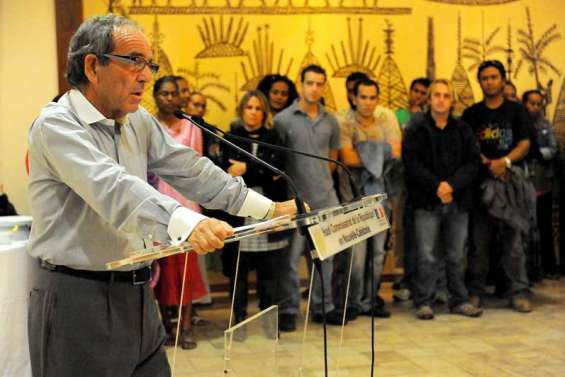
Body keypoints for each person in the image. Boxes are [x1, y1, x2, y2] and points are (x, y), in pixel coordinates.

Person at [26, 14, 298, 377]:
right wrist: (188, 223)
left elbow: (190, 169)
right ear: (93, 65)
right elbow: (114, 189)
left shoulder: (137, 120)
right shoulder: (56, 125)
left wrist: (269, 209)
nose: (146, 75)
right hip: (78, 296)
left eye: (148, 64)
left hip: (137, 293)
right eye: (134, 61)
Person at [403, 79, 482, 320]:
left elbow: (473, 163)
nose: (441, 99)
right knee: (426, 255)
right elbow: (412, 164)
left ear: (452, 101)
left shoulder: (463, 129)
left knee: (457, 255)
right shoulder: (416, 129)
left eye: (446, 95)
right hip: (426, 201)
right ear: (428, 99)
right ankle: (424, 301)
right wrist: (437, 186)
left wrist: (451, 185)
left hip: (458, 201)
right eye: (436, 95)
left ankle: (459, 300)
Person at [274, 64, 343, 331]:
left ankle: (323, 308)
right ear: (300, 84)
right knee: (290, 261)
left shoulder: (331, 120)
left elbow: (333, 162)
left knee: (326, 259)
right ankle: (290, 309)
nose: (314, 88)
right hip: (293, 203)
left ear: (324, 86)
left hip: (327, 199)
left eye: (319, 84)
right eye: (310, 83)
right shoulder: (283, 119)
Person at [462, 60, 533, 313]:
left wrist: (504, 162)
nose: (489, 82)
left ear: (503, 79)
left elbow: (524, 143)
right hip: (481, 187)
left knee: (513, 243)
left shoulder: (517, 111)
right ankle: (475, 293)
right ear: (480, 82)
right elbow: (468, 147)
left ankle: (519, 292)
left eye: (494, 77)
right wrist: (489, 164)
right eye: (484, 78)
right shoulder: (472, 114)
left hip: (511, 186)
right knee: (479, 244)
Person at [221, 90, 289, 330]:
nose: (253, 112)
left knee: (269, 276)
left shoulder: (274, 138)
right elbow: (228, 174)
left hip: (269, 216)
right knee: (238, 274)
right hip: (239, 217)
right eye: (249, 107)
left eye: (258, 108)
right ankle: (238, 320)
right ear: (242, 110)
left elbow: (276, 173)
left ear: (265, 113)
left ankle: (269, 321)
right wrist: (259, 172)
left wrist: (247, 170)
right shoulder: (231, 137)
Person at [150, 75, 207, 349]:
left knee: (185, 271)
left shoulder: (192, 126)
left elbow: (197, 167)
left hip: (186, 204)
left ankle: (185, 328)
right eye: (164, 93)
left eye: (174, 93)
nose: (170, 98)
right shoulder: (148, 125)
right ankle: (167, 327)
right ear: (155, 96)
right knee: (162, 272)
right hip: (158, 202)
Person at [338, 78, 401, 319]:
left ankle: (370, 300)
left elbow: (396, 153)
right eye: (362, 97)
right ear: (354, 98)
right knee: (357, 257)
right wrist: (379, 152)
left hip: (380, 199)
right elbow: (348, 158)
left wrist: (362, 150)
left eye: (372, 97)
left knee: (377, 255)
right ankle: (354, 302)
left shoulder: (386, 120)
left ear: (377, 99)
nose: (367, 102)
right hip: (353, 199)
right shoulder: (344, 122)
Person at [523, 89, 559, 279]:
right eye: (531, 103)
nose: (535, 107)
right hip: (524, 183)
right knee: (526, 228)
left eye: (539, 104)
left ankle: (549, 268)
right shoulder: (519, 124)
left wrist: (538, 153)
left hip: (543, 183)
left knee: (544, 226)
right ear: (524, 104)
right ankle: (528, 270)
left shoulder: (546, 125)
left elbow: (553, 149)